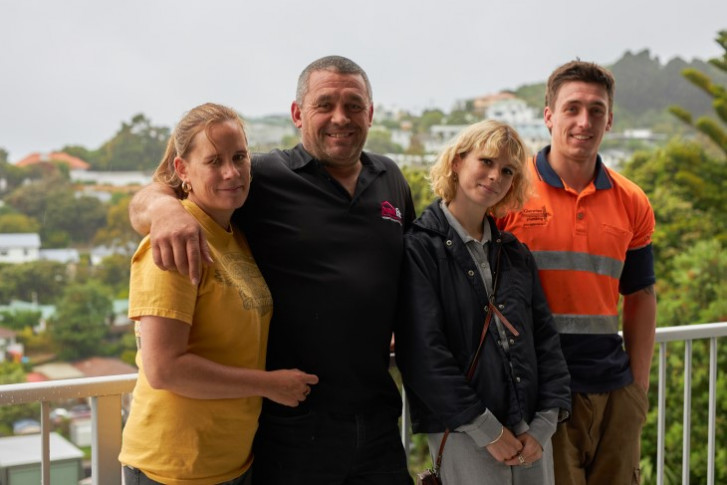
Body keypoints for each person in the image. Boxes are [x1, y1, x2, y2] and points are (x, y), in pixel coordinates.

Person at [128, 57, 415, 484]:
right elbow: (149, 197)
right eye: (325, 105)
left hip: (377, 418)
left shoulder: (390, 177)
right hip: (291, 425)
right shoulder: (258, 176)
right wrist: (166, 210)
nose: (341, 118)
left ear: (371, 113)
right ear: (298, 114)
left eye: (354, 105)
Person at [119, 103, 318, 485]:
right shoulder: (173, 240)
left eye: (239, 157)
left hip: (231, 462)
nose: (231, 172)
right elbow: (164, 369)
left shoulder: (233, 235)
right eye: (214, 161)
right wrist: (269, 384)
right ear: (183, 170)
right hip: (175, 467)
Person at [498, 61, 657, 485]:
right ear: (549, 116)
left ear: (610, 120)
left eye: (596, 110)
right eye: (572, 109)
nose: (584, 121)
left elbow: (641, 294)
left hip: (613, 390)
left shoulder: (632, 200)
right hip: (539, 394)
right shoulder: (507, 192)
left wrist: (637, 390)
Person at [397, 120, 571, 484]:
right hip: (464, 430)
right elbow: (424, 353)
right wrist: (486, 429)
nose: (496, 176)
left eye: (507, 170)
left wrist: (544, 425)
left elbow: (546, 340)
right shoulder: (419, 248)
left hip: (530, 431)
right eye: (487, 162)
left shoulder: (515, 253)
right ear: (458, 161)